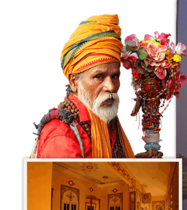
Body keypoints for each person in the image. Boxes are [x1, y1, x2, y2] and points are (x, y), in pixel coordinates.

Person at [30, 13, 136, 158]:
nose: (111, 87)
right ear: (74, 82)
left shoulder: (109, 124)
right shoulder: (61, 134)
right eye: (99, 77)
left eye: (115, 76)